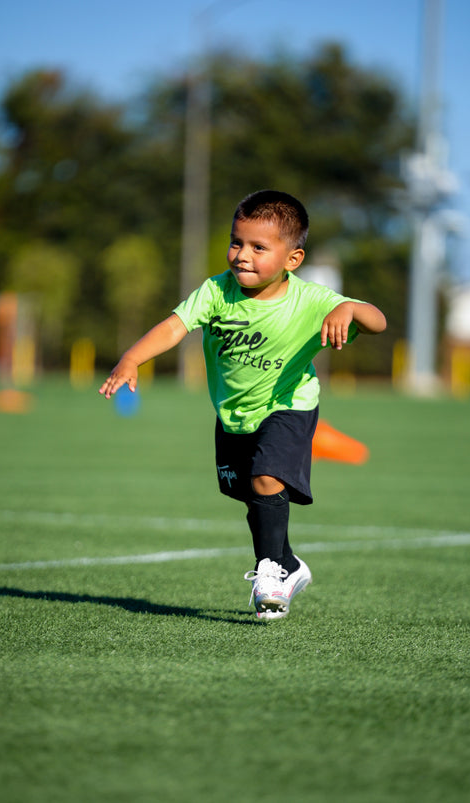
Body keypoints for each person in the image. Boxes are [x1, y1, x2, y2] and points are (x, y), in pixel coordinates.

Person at [99, 190, 386, 620]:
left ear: (293, 259)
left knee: (268, 478)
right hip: (234, 417)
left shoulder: (310, 299)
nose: (242, 256)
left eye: (258, 247)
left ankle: (269, 574)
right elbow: (174, 327)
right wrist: (132, 358)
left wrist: (348, 307)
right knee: (251, 494)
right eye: (237, 242)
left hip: (288, 404)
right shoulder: (216, 291)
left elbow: (377, 321)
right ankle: (288, 565)